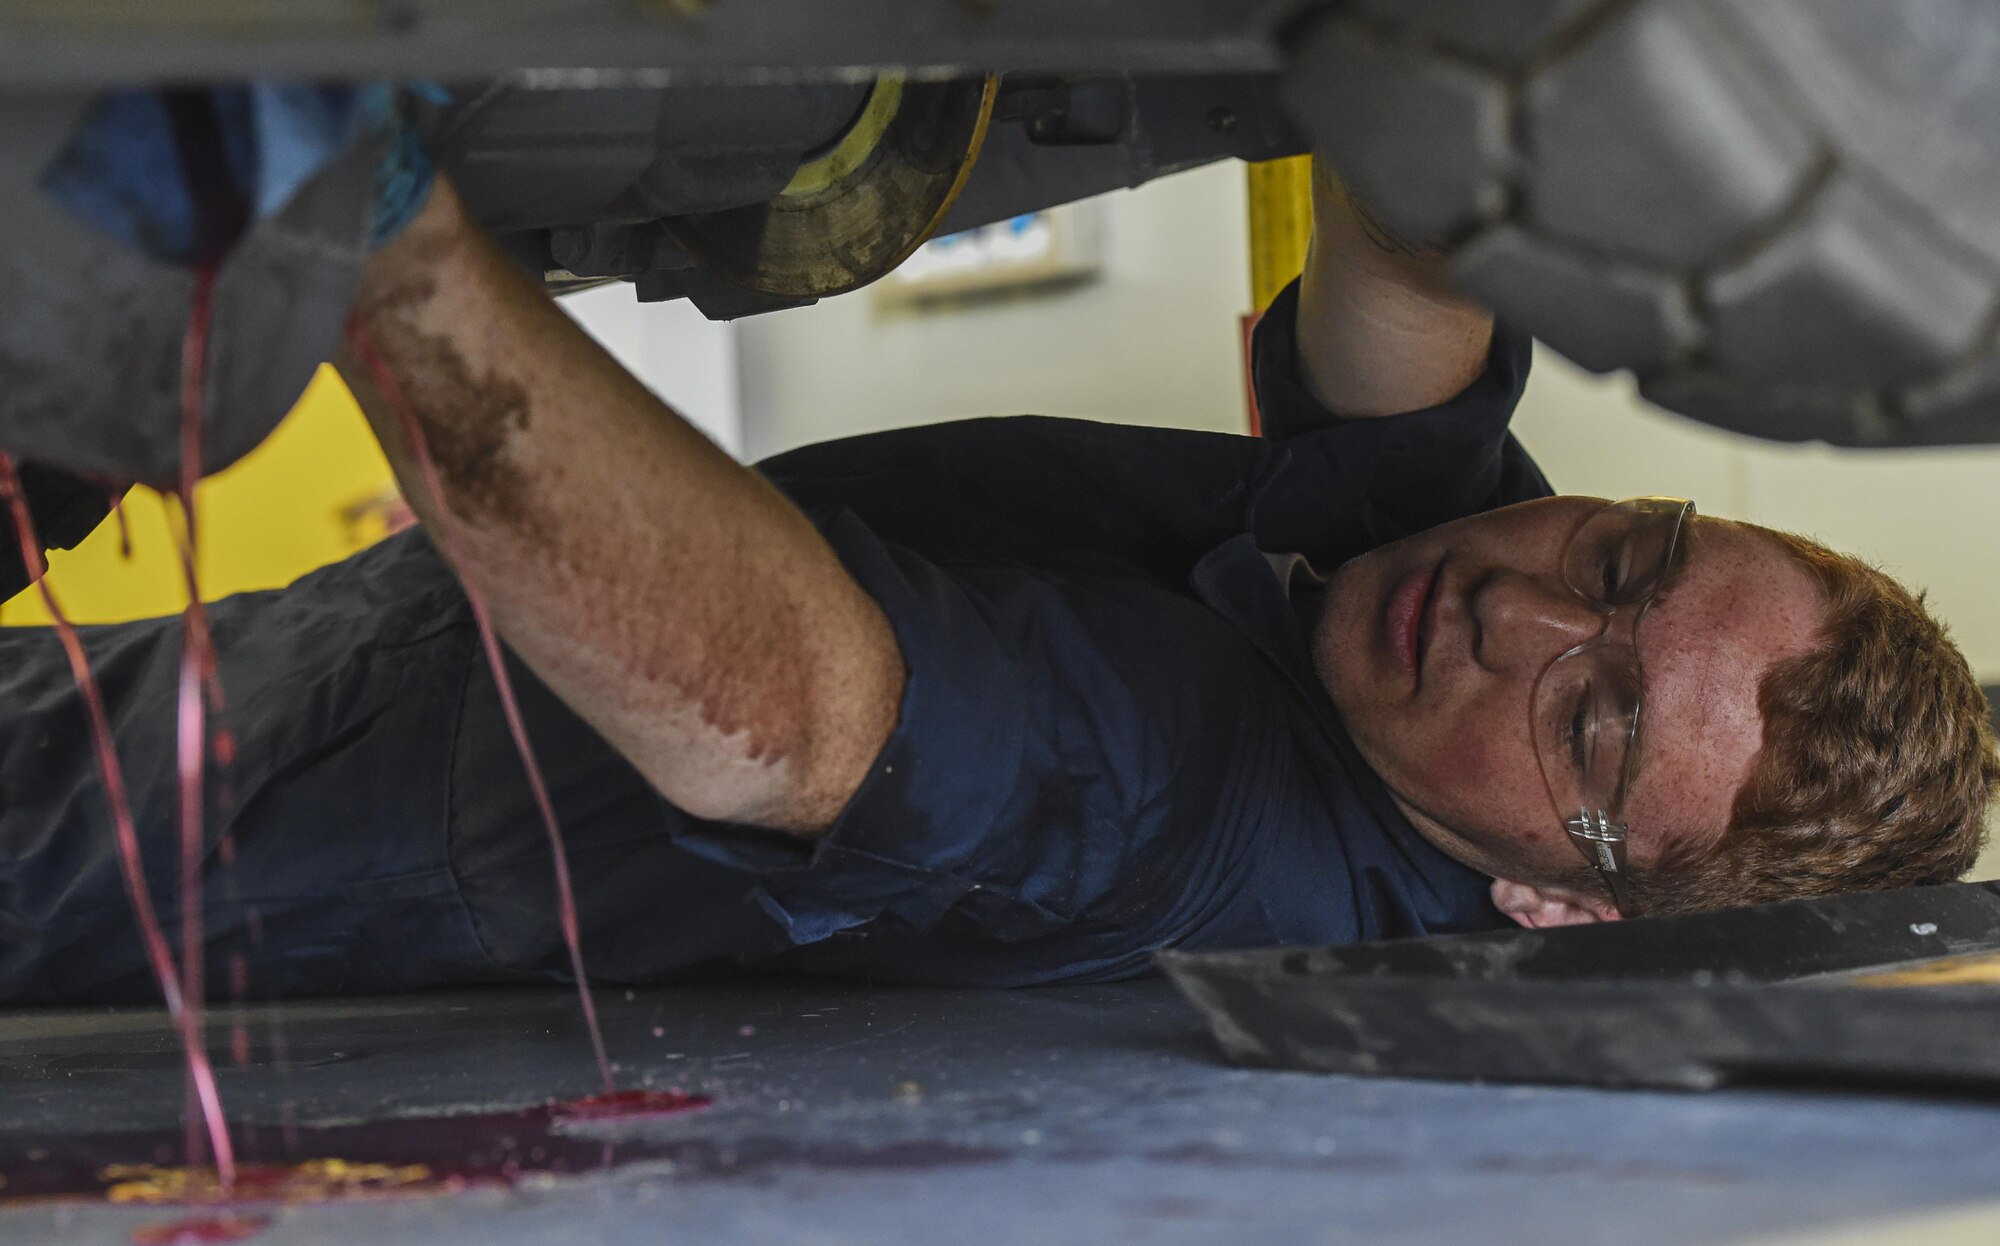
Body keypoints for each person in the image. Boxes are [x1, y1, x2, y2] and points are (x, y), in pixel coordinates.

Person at [0, 160, 1992, 1005]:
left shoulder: (1191, 818)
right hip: (359, 668)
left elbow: (785, 723)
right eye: (1628, 558)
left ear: (1556, 900)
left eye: (1596, 717)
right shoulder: (1429, 610)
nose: (1527, 610)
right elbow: (1422, 338)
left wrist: (370, 226)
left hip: (250, 844)